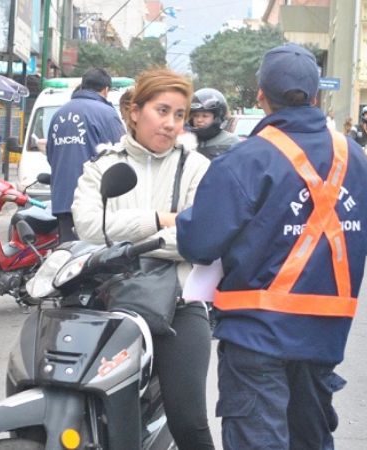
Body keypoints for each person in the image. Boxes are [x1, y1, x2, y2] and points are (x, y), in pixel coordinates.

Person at [176, 43, 367, 450]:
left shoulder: (245, 160)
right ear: (317, 95)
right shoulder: (354, 159)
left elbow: (198, 242)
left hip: (256, 338)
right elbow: (364, 242)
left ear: (260, 95)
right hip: (324, 339)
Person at [72, 68, 215, 450]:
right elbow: (86, 225)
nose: (171, 124)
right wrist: (158, 220)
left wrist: (125, 236)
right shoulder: (103, 164)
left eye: (180, 115)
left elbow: (198, 238)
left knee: (190, 422)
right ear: (135, 111)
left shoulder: (197, 168)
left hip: (178, 304)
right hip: (108, 299)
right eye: (162, 110)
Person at [47, 67, 125, 243]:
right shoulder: (107, 114)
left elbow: (51, 156)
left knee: (67, 257)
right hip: (93, 202)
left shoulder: (59, 113)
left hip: (63, 200)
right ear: (105, 90)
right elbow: (119, 155)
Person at [187, 88, 240, 160]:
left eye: (205, 116)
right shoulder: (186, 140)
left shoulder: (230, 141)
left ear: (217, 117)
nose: (199, 120)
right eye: (196, 116)